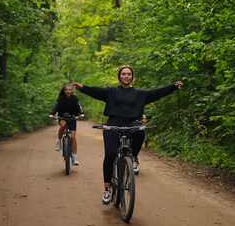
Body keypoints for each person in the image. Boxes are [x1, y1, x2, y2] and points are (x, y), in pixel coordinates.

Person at [72, 65, 183, 204]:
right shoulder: (111, 92)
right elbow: (96, 92)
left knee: (140, 131)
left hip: (132, 123)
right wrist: (82, 87)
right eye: (123, 74)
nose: (126, 76)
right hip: (113, 124)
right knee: (111, 154)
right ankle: (107, 189)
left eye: (129, 74)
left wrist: (173, 86)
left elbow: (157, 93)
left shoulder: (140, 94)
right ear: (119, 77)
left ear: (132, 77)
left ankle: (133, 157)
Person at [49, 83, 85, 166]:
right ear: (64, 91)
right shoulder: (61, 99)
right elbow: (56, 107)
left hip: (72, 118)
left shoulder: (75, 98)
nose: (68, 91)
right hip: (62, 117)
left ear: (72, 91)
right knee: (63, 125)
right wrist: (52, 114)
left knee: (73, 137)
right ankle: (58, 141)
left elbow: (79, 107)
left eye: (70, 90)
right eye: (66, 90)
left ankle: (75, 157)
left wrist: (81, 113)